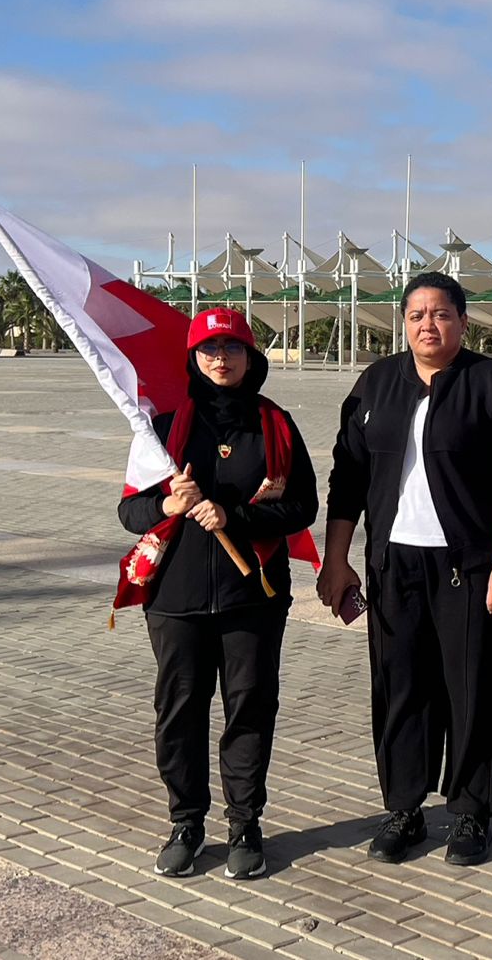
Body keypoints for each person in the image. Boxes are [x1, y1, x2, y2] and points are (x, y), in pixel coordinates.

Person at [319, 272, 492, 868]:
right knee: (400, 687)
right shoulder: (376, 384)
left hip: (469, 564)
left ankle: (470, 811)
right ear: (404, 324)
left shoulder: (490, 384)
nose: (428, 325)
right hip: (394, 562)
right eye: (416, 315)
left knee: (471, 686)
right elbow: (348, 477)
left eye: (440, 314)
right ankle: (404, 807)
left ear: (463, 321)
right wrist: (337, 559)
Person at [116, 306, 318, 881]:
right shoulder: (162, 430)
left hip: (253, 594)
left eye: (231, 348)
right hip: (176, 598)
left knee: (249, 707)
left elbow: (302, 506)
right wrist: (167, 504)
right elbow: (130, 511)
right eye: (209, 349)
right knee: (179, 711)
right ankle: (185, 823)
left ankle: (245, 825)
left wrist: (234, 515)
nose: (220, 359)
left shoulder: (275, 424)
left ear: (250, 357)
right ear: (193, 358)